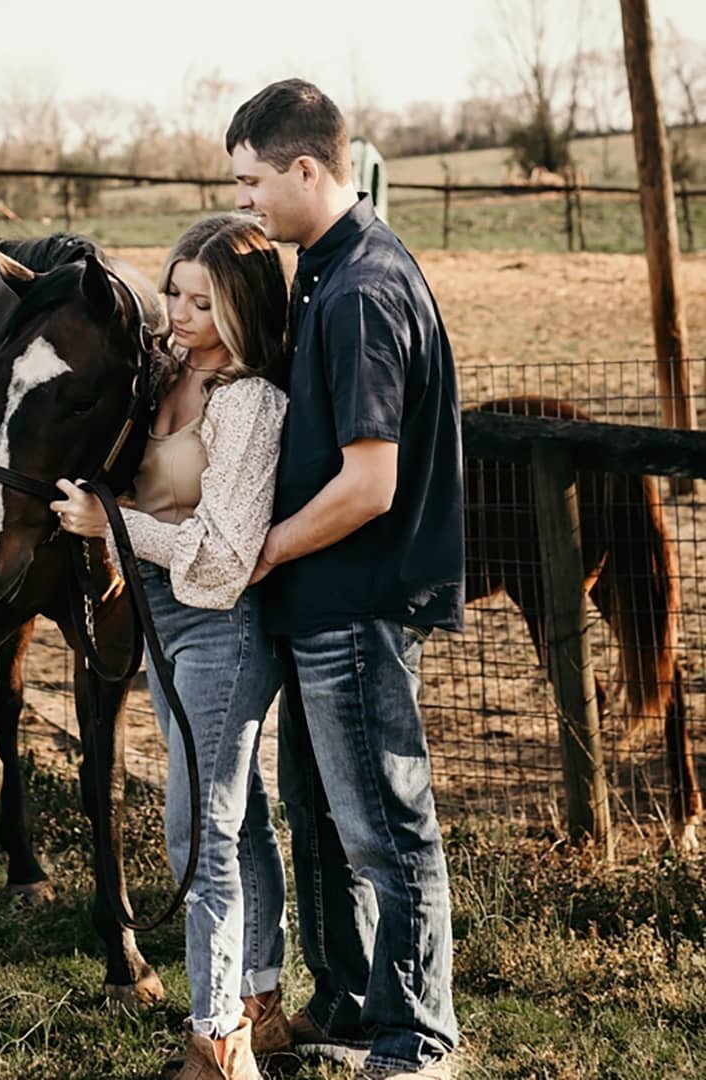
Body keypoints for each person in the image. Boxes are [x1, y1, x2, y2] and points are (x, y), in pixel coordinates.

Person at [0, 214, 293, 1080]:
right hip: (162, 612)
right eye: (174, 293)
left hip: (218, 623)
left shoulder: (248, 403)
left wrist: (116, 525)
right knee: (239, 818)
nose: (175, 313)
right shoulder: (163, 373)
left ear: (242, 308)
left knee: (197, 835)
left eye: (200, 301)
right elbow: (86, 435)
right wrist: (2, 463)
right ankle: (261, 998)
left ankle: (218, 1041)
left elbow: (223, 560)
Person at [227, 79, 464, 1079]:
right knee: (324, 821)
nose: (245, 203)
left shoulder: (363, 289)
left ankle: (419, 1038)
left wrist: (265, 548)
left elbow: (369, 484)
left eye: (252, 182)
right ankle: (351, 1002)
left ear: (307, 169)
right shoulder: (323, 273)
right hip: (316, 605)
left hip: (355, 604)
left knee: (385, 828)